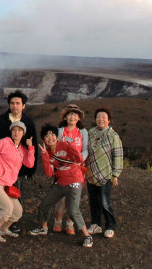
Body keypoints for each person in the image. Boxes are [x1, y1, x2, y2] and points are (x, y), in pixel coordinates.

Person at [28, 123, 93, 247]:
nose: (50, 138)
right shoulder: (46, 152)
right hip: (60, 183)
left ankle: (87, 236)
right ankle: (44, 228)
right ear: (44, 140)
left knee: (73, 210)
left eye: (53, 134)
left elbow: (79, 159)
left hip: (74, 181)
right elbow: (48, 173)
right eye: (47, 136)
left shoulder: (65, 145)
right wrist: (45, 157)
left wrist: (72, 146)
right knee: (45, 204)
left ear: (56, 136)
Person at [0, 90, 38, 233]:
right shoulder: (2, 120)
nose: (15, 106)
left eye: (18, 103)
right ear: (9, 105)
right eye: (12, 103)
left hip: (18, 168)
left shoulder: (28, 122)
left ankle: (10, 223)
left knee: (14, 193)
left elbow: (32, 145)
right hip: (0, 167)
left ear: (23, 106)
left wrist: (29, 170)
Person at [0, 121, 35, 242]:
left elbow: (29, 163)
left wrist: (31, 148)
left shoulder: (22, 149)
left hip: (7, 184)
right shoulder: (4, 142)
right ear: (11, 132)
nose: (16, 133)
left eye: (19, 130)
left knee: (17, 212)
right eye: (14, 130)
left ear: (23, 133)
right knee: (7, 208)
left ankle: (3, 229)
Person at [85, 107, 124, 239]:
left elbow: (118, 156)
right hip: (90, 173)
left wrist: (115, 175)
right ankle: (96, 224)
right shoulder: (90, 133)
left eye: (103, 117)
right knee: (93, 201)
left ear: (109, 120)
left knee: (104, 201)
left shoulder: (113, 136)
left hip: (105, 173)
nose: (100, 119)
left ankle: (110, 225)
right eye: (98, 117)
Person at [52, 104, 88, 235]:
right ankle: (57, 221)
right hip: (62, 169)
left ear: (79, 118)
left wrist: (79, 161)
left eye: (75, 115)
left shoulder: (83, 132)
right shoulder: (60, 131)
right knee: (61, 197)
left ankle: (70, 223)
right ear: (65, 117)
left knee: (74, 197)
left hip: (77, 170)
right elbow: (54, 147)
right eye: (70, 114)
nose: (72, 117)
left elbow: (85, 149)